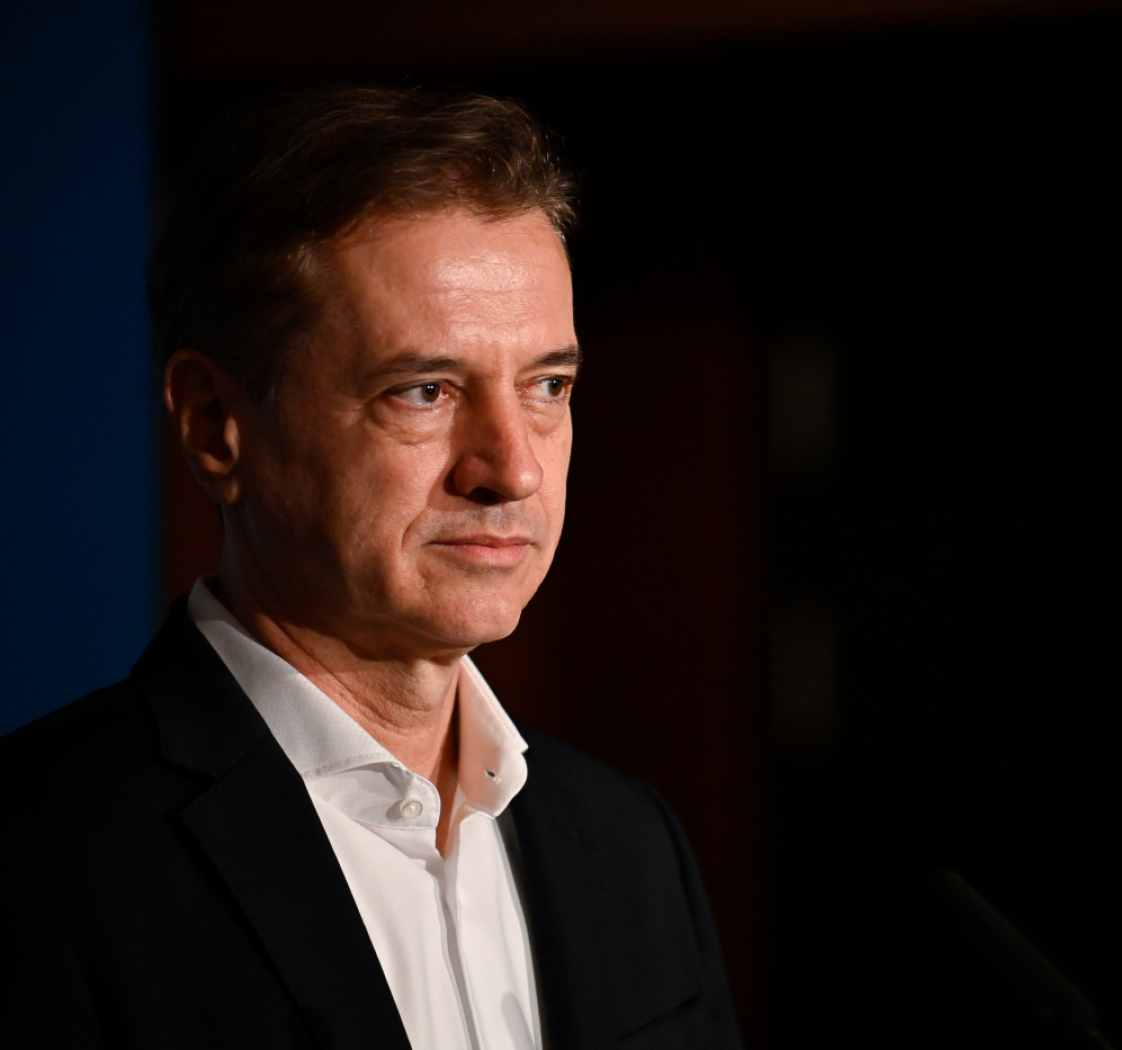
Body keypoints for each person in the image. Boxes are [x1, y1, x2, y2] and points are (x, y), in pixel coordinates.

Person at [0, 86, 742, 1050]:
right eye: (425, 390)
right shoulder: (38, 857)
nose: (513, 469)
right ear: (215, 426)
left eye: (548, 386)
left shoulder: (631, 844)